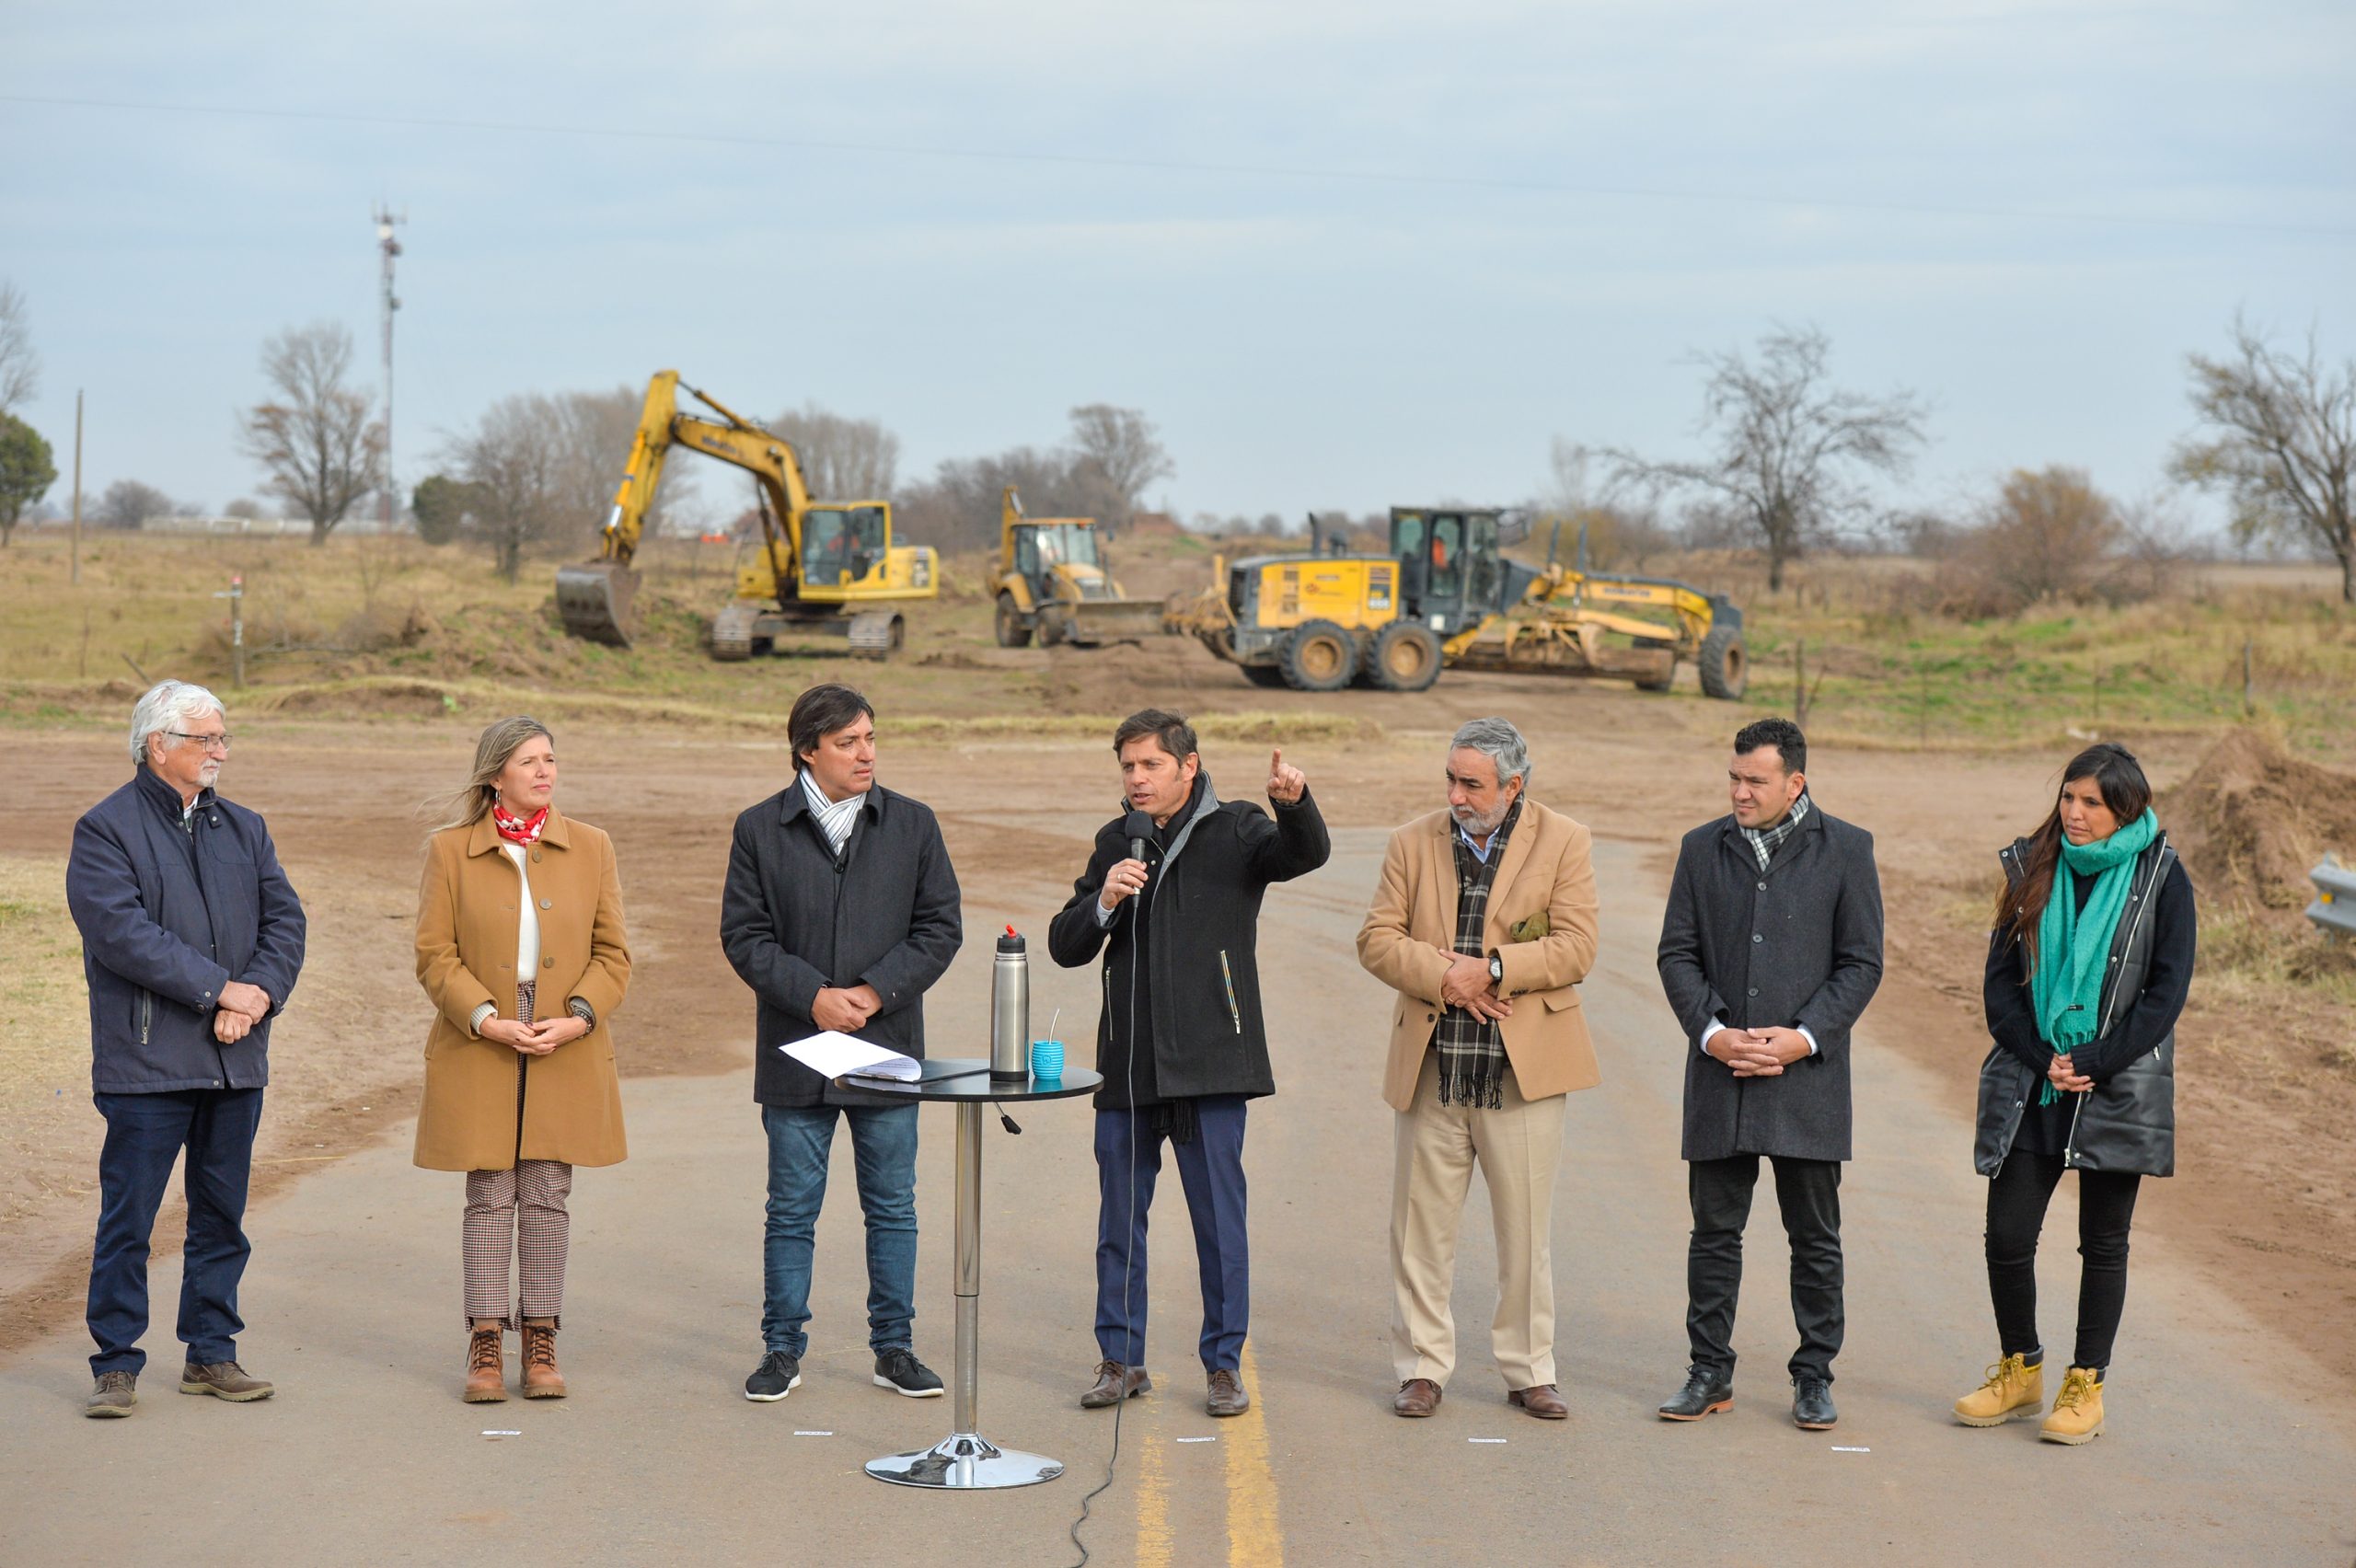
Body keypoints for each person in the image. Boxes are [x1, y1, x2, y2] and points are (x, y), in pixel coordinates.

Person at [1048, 709, 1329, 1418]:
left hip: (1212, 1064)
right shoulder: (1117, 841)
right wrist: (1104, 900)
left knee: (1218, 1225)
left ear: (1189, 766)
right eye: (1128, 766)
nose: (1137, 778)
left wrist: (1294, 806)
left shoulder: (1238, 828)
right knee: (1120, 1225)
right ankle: (1121, 1361)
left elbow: (1302, 855)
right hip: (1130, 1067)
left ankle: (1224, 1366)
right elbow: (1065, 944)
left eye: (1151, 764)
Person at [66, 680, 306, 1418]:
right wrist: (219, 991)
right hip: (147, 1063)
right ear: (158, 744)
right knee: (129, 1221)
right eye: (207, 739)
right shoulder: (105, 829)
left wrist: (257, 995)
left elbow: (285, 922)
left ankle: (211, 1352)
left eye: (223, 739)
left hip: (236, 1059)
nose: (221, 752)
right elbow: (121, 934)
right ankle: (116, 1363)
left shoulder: (246, 828)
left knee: (221, 1218)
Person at [721, 682, 962, 1405]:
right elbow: (744, 935)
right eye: (848, 742)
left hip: (885, 1050)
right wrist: (813, 997)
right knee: (791, 1211)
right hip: (798, 1053)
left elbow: (940, 927)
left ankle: (895, 1348)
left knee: (893, 1208)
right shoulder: (759, 829)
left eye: (871, 738)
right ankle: (781, 1349)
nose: (866, 754)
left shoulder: (913, 824)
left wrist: (876, 991)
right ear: (808, 751)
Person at [1357, 719, 1600, 1421]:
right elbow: (1376, 939)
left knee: (1525, 1235)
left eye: (1472, 784)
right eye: (1451, 780)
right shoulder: (1411, 841)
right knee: (1419, 1233)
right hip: (1432, 1068)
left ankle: (1529, 1371)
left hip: (1523, 1074)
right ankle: (1421, 1369)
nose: (1456, 796)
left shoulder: (1565, 841)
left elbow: (1577, 947)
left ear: (1513, 786)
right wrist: (1446, 977)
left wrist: (1493, 968)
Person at [1953, 743, 2193, 1445]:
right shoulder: (2033, 864)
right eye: (2069, 797)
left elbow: (2166, 992)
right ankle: (2020, 1369)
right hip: (2036, 1080)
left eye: (2093, 803)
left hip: (2116, 1084)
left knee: (2104, 1243)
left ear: (2127, 811)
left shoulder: (2163, 876)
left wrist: (2094, 1059)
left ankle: (2086, 1386)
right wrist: (2046, 1058)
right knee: (2007, 1236)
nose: (2075, 813)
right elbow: (2000, 987)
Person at [1655, 717, 1883, 1432]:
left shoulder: (1848, 849)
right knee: (1713, 1234)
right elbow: (1676, 954)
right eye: (1734, 777)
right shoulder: (1701, 848)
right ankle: (1708, 1373)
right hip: (1720, 1075)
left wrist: (1803, 1039)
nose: (1740, 792)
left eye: (1755, 780)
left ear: (1795, 782)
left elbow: (1861, 963)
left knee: (1814, 1239)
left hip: (1807, 1081)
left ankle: (1814, 1376)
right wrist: (1715, 1035)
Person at [412, 717, 631, 1402]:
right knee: (488, 1193)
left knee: (545, 1193)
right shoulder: (449, 851)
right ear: (496, 774)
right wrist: (486, 1018)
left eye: (550, 759)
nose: (545, 772)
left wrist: (579, 1018)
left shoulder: (592, 846)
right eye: (530, 761)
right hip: (481, 1035)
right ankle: (485, 1340)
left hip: (565, 1035)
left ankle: (541, 1337)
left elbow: (614, 954)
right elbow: (434, 955)